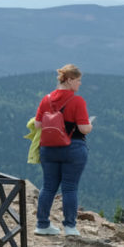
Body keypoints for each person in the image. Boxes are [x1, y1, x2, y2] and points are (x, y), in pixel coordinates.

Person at [34, 64, 93, 236]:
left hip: (49, 148)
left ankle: (42, 224)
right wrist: (90, 124)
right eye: (78, 80)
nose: (80, 84)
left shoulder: (46, 99)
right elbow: (83, 129)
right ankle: (70, 227)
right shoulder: (77, 101)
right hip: (73, 148)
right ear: (69, 80)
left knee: (48, 186)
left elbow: (38, 124)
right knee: (69, 187)